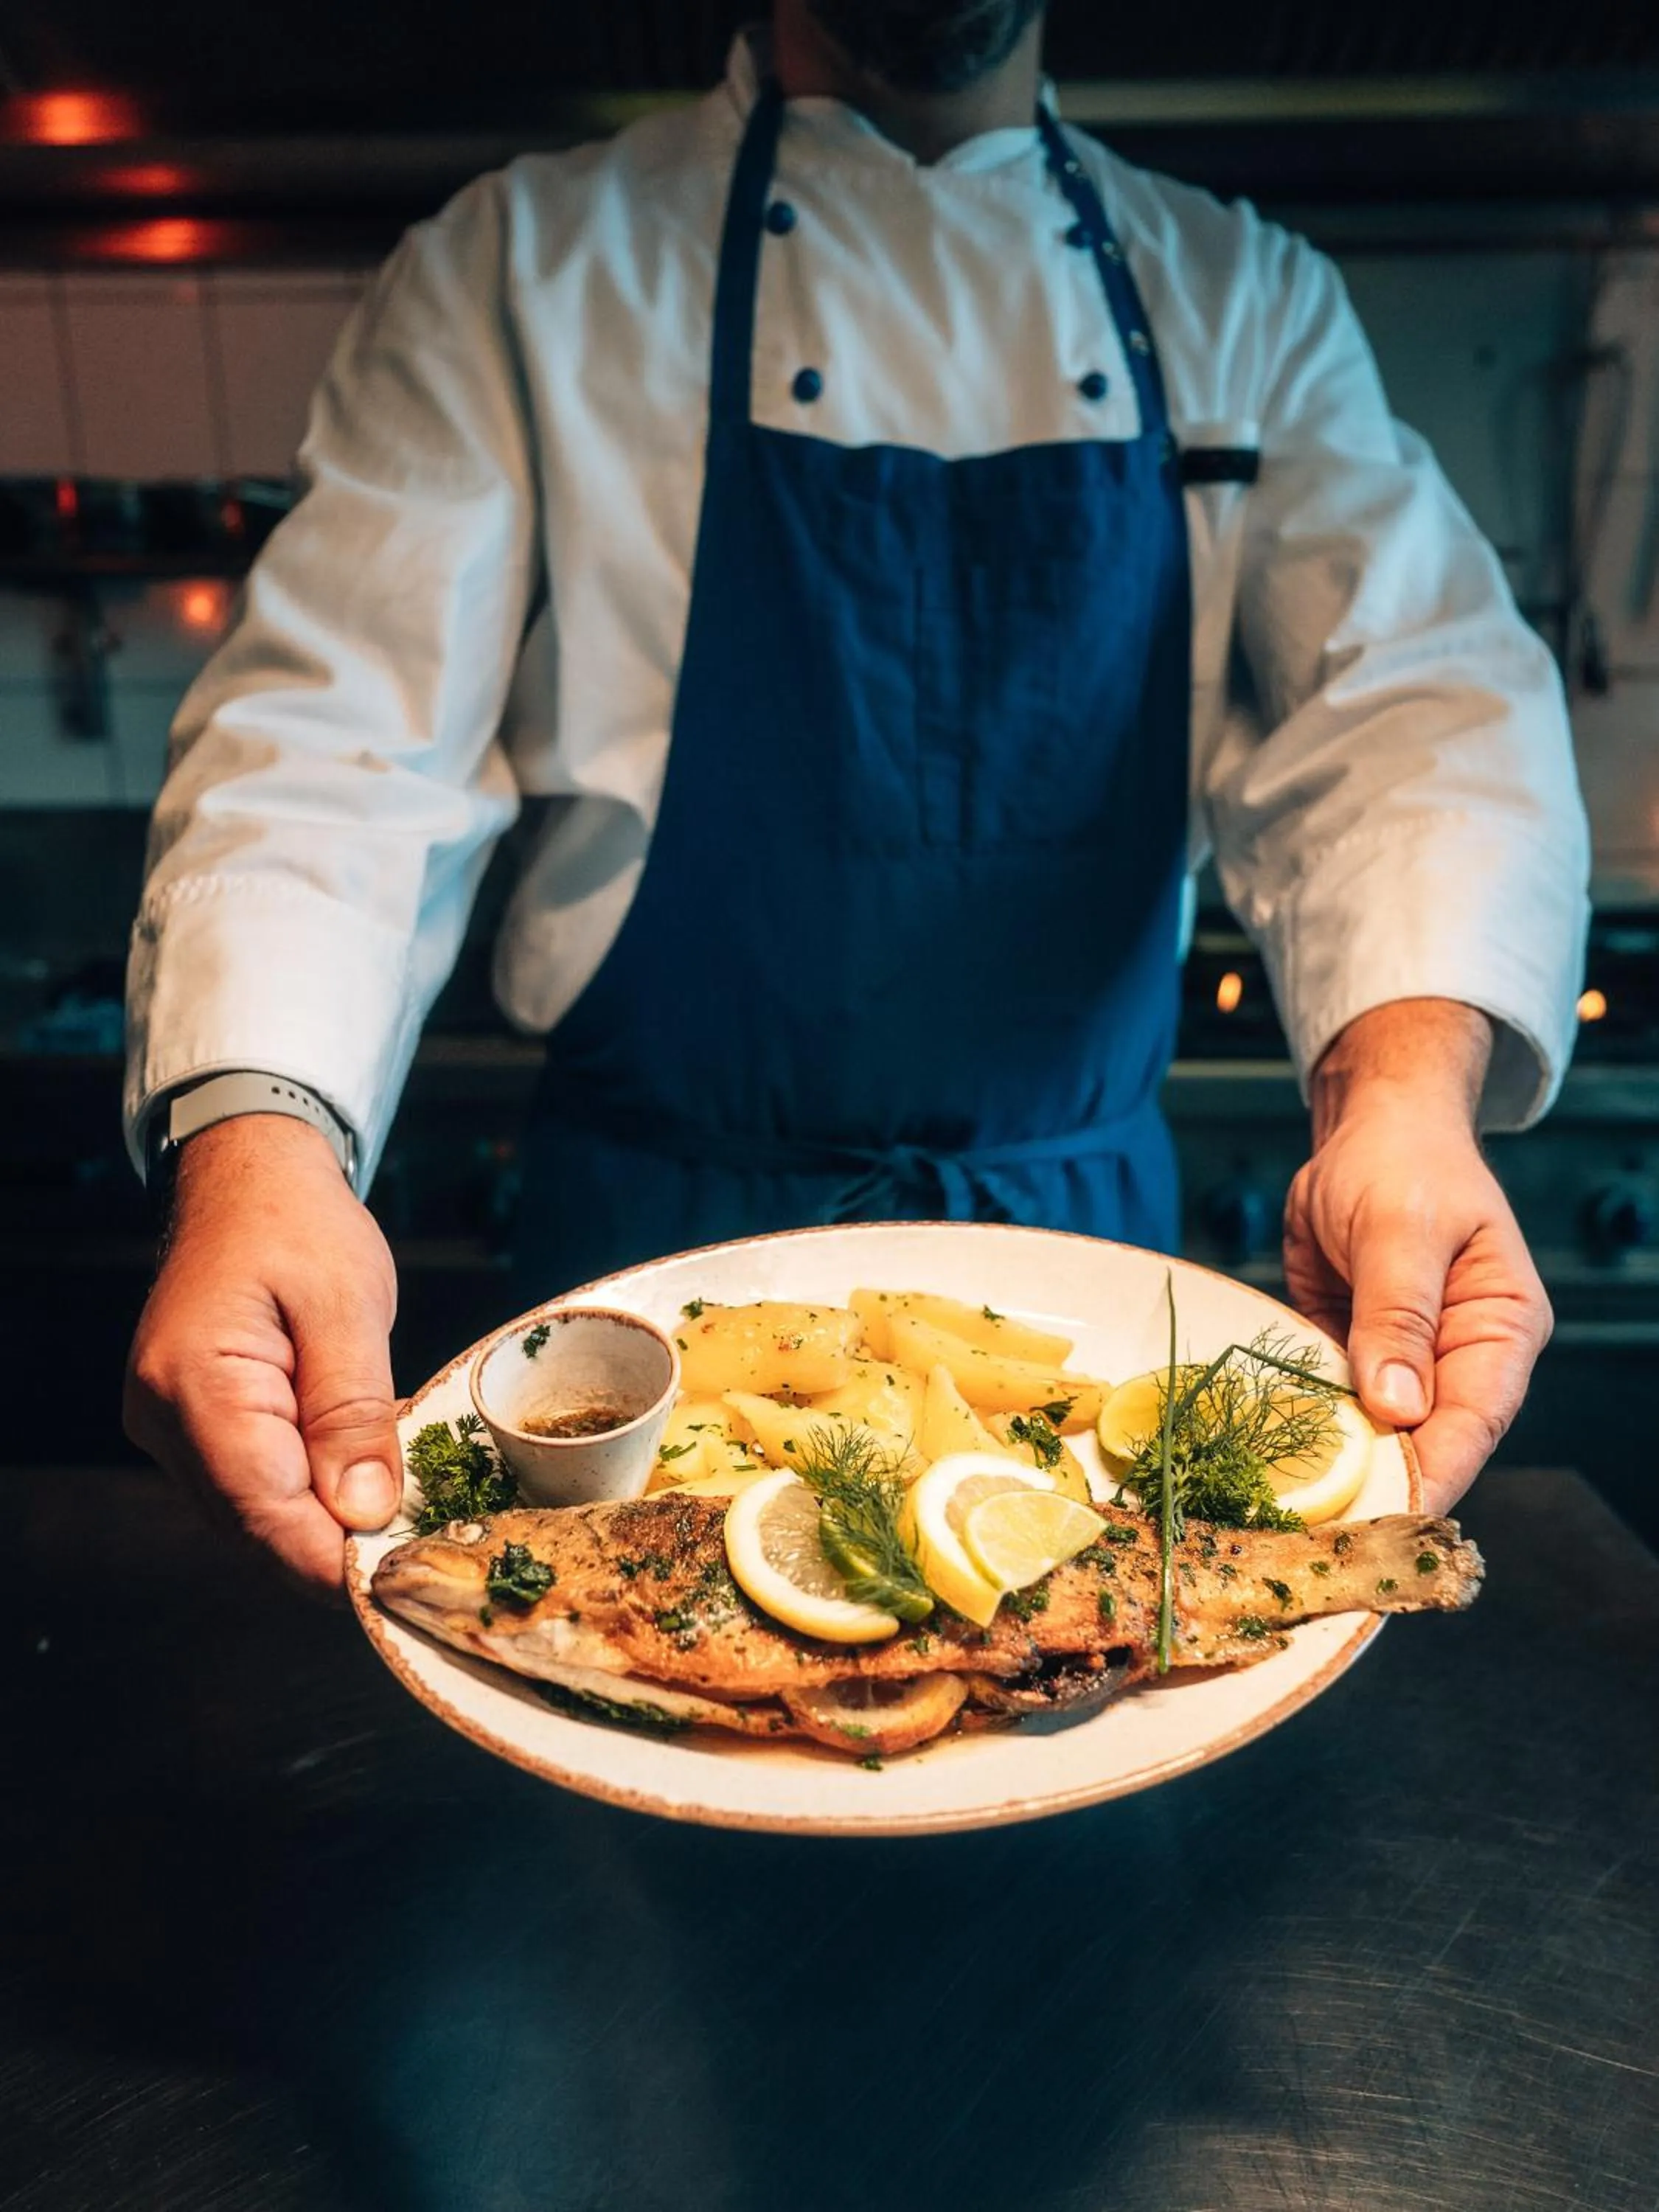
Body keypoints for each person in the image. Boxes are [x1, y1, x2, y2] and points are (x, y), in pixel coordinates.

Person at [122, 1, 1589, 1590]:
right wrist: (257, 1153)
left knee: (1079, 1721)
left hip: (1077, 1273)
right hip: (643, 1273)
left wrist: (1406, 1104)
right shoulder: (520, 267)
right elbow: (334, 736)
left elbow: (1414, 714)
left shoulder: (1248, 299)